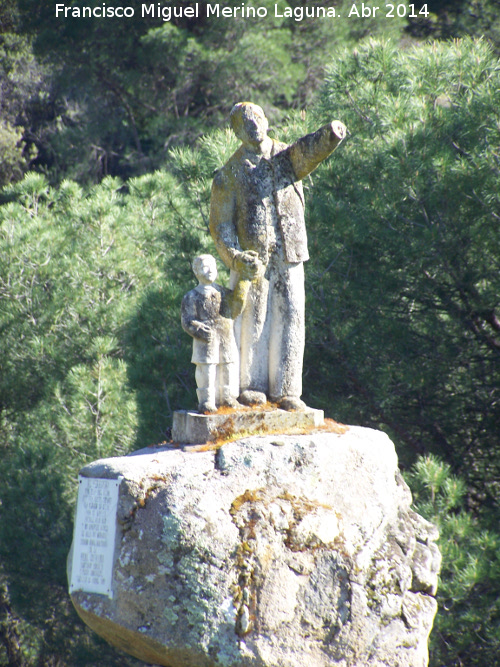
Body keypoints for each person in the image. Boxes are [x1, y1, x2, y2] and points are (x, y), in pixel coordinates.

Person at [209, 102, 346, 411]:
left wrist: (330, 135)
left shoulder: (287, 156)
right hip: (253, 259)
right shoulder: (229, 174)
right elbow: (220, 225)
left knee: (293, 315)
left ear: (266, 120)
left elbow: (308, 151)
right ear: (236, 133)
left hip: (291, 251)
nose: (253, 126)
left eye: (256, 118)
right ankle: (252, 386)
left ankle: (288, 391)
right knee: (255, 320)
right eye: (244, 123)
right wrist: (235, 257)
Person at [181, 254, 251, 413]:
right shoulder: (191, 296)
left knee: (228, 366)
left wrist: (244, 281)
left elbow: (235, 308)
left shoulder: (223, 292)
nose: (211, 270)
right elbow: (187, 320)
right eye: (206, 266)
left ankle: (227, 398)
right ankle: (207, 401)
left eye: (213, 266)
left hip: (225, 336)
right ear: (196, 271)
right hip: (206, 340)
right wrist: (198, 328)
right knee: (207, 369)